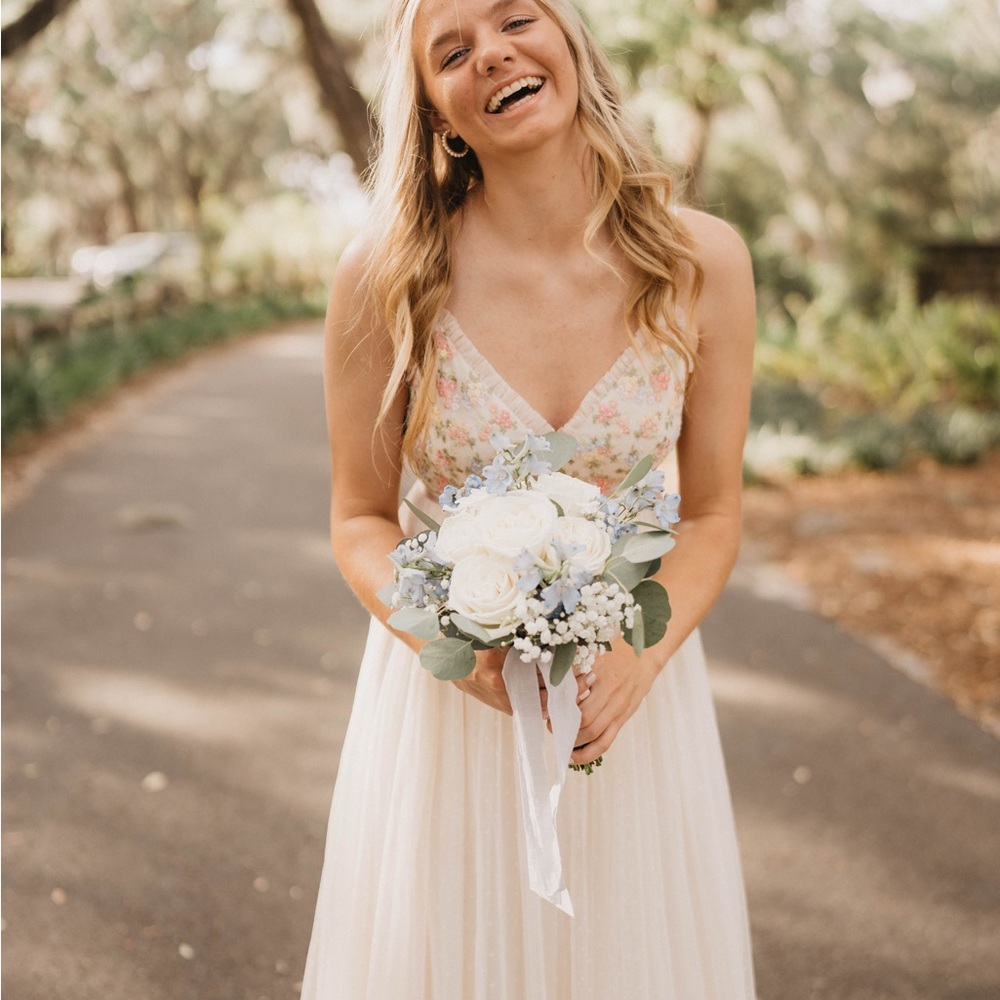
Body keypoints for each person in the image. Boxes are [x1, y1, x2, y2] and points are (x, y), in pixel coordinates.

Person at [301, 0, 757, 996]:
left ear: (568, 38)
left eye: (516, 18)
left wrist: (641, 654)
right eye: (452, 52)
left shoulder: (701, 262)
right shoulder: (385, 276)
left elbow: (714, 512)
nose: (493, 54)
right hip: (451, 706)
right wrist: (442, 638)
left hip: (631, 692)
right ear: (435, 110)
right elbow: (360, 519)